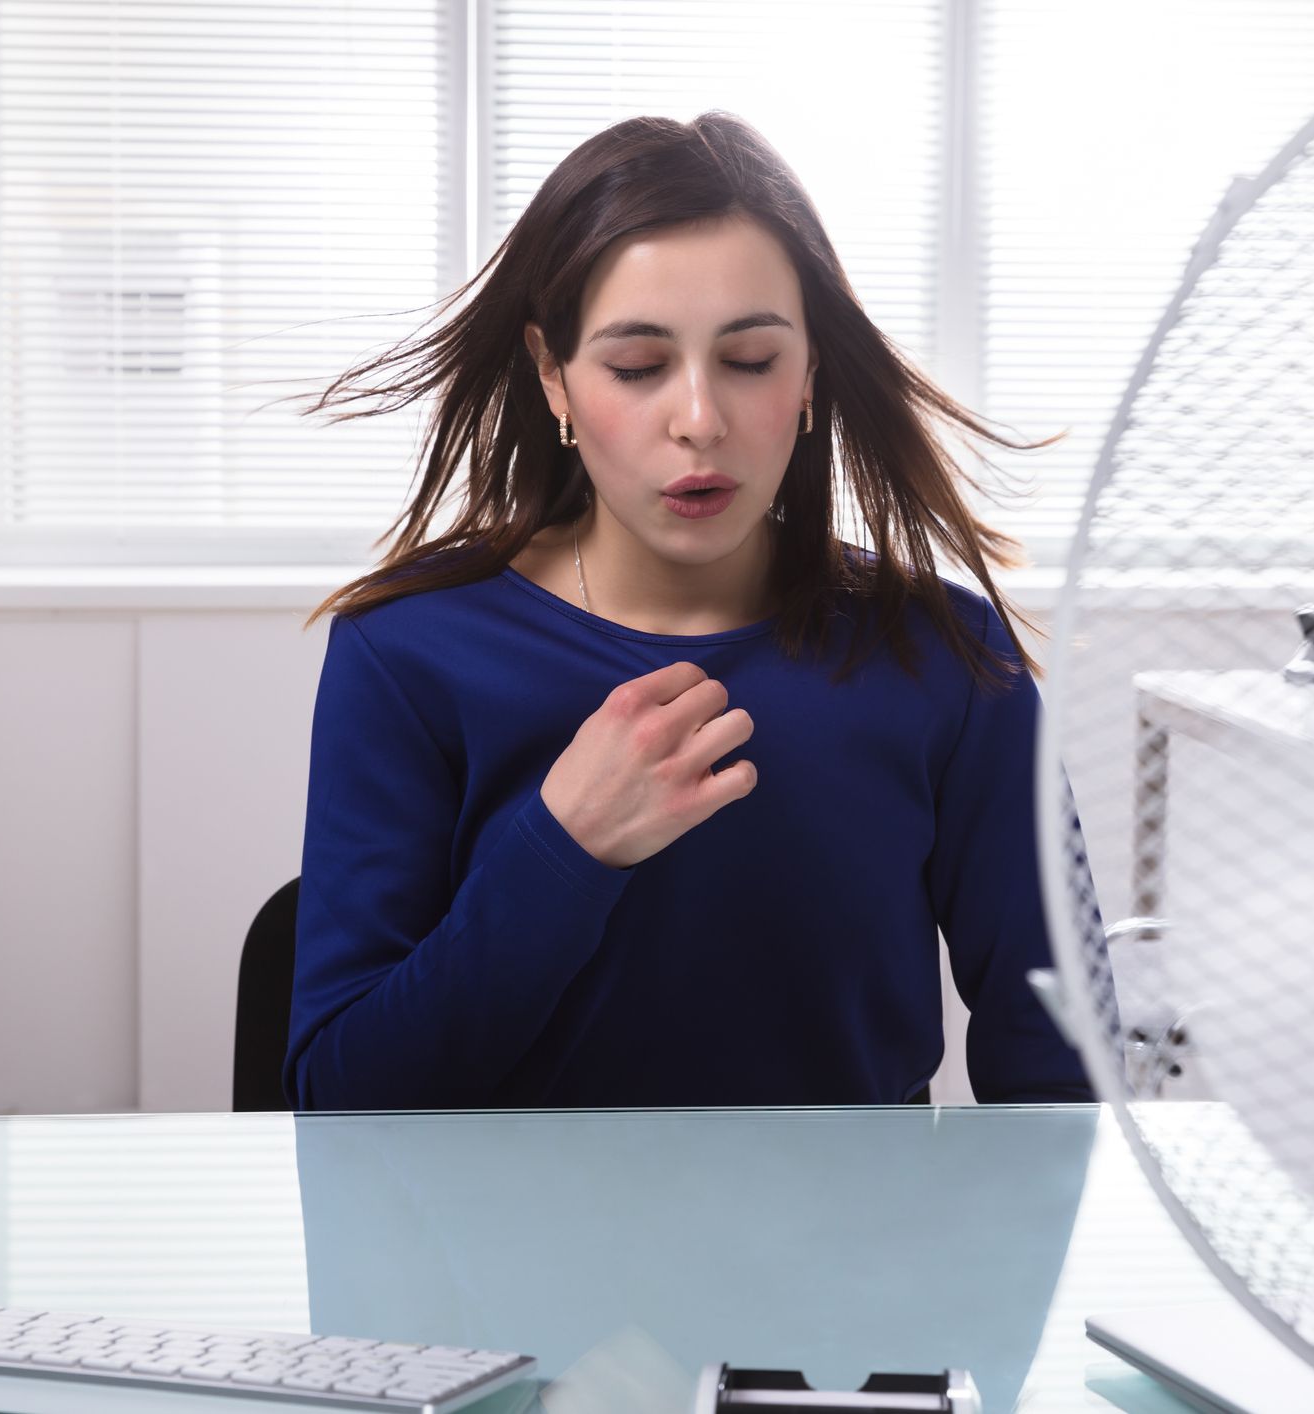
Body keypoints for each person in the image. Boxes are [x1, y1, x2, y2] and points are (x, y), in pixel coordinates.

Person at [283, 111, 1108, 1110]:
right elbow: (340, 1098)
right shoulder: (406, 653)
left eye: (751, 360)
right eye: (637, 368)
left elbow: (1061, 1077)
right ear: (554, 377)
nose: (700, 420)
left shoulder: (948, 659)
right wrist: (563, 845)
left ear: (809, 376)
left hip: (854, 1260)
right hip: (511, 1260)